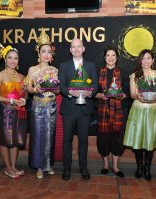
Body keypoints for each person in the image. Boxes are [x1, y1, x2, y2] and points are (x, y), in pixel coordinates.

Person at [123, 49, 156, 181]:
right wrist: (138, 96)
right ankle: (139, 167)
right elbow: (132, 94)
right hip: (138, 109)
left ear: (153, 60)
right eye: (143, 59)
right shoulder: (134, 76)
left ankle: (147, 169)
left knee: (150, 140)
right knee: (138, 139)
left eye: (148, 58)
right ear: (140, 61)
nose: (146, 61)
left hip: (154, 111)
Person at [59, 38, 99, 181]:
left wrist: (91, 92)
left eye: (79, 47)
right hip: (69, 108)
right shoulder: (64, 66)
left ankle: (83, 167)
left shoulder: (91, 66)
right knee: (67, 139)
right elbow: (61, 86)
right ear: (70, 50)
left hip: (85, 108)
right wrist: (70, 92)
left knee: (83, 140)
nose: (76, 49)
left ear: (83, 49)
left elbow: (95, 84)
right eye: (73, 47)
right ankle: (67, 167)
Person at [0, 45, 28, 179]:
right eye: (10, 57)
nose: (13, 60)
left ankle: (13, 166)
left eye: (16, 58)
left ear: (18, 61)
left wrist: (23, 98)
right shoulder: (0, 75)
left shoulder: (22, 77)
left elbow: (26, 93)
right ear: (5, 60)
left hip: (19, 112)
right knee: (6, 141)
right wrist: (10, 101)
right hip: (6, 111)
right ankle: (8, 168)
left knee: (16, 140)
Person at [27, 30, 59, 179]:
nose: (46, 54)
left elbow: (57, 90)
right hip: (38, 105)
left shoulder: (54, 70)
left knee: (50, 135)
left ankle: (48, 164)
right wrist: (36, 89)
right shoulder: (32, 69)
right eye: (43, 51)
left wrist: (56, 89)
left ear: (52, 55)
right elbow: (28, 88)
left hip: (51, 105)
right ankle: (39, 166)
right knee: (38, 135)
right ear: (38, 53)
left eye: (49, 52)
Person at [95, 46, 130, 177]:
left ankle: (115, 166)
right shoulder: (98, 72)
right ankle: (105, 164)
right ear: (104, 57)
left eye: (113, 55)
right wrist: (101, 96)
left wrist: (121, 95)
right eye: (108, 55)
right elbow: (93, 92)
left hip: (119, 110)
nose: (110, 58)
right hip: (103, 110)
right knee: (103, 136)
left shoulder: (123, 73)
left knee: (117, 137)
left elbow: (127, 92)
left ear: (117, 58)